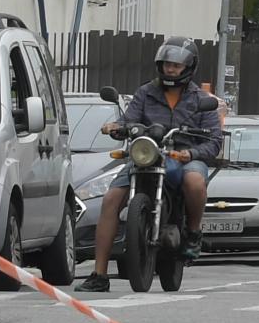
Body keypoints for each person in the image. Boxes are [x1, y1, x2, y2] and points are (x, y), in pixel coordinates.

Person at [75, 41, 224, 292]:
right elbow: (129, 119)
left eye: (176, 66)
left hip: (184, 156)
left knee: (194, 181)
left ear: (188, 67)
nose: (170, 70)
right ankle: (99, 273)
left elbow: (214, 142)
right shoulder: (146, 93)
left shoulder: (200, 99)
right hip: (148, 154)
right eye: (167, 64)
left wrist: (191, 153)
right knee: (111, 198)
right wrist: (116, 126)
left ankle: (194, 233)